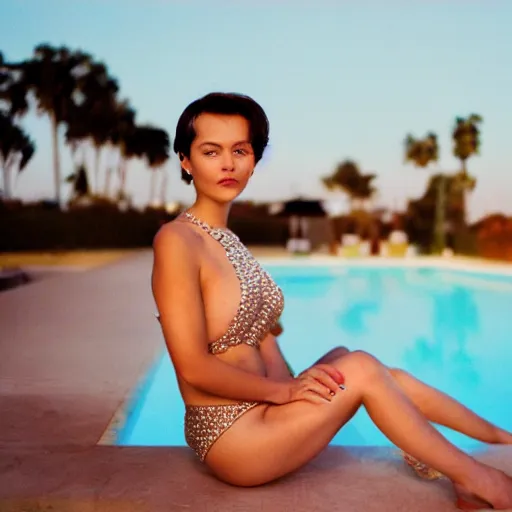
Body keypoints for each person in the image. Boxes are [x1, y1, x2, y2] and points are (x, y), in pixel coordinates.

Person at [151, 92, 512, 510]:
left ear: (253, 159)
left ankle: (500, 438)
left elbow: (264, 348)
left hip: (262, 413)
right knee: (358, 369)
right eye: (211, 151)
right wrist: (286, 395)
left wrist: (294, 386)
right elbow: (192, 366)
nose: (228, 163)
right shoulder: (176, 241)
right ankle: (480, 481)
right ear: (186, 160)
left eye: (241, 150)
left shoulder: (229, 241)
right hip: (230, 437)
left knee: (355, 361)